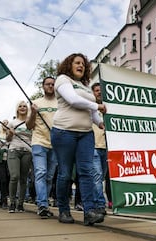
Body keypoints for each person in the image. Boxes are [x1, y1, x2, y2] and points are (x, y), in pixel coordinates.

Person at [51, 53, 106, 226]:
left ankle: (89, 211)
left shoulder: (85, 86)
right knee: (65, 173)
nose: (81, 65)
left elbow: (91, 113)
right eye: (77, 63)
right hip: (64, 132)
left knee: (86, 172)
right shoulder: (62, 80)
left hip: (86, 134)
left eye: (83, 64)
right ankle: (64, 210)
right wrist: (97, 105)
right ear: (69, 65)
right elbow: (73, 100)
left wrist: (100, 122)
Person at [26, 76, 58, 219]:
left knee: (50, 177)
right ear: (43, 86)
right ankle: (43, 205)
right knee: (41, 172)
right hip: (39, 142)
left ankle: (43, 202)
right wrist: (33, 112)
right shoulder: (36, 103)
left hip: (56, 144)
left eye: (53, 84)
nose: (50, 86)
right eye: (48, 84)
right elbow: (29, 126)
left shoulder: (61, 103)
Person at [6, 100, 32, 213]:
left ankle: (20, 204)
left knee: (23, 179)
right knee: (14, 176)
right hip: (14, 150)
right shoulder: (12, 123)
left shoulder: (31, 122)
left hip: (27, 151)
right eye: (20, 106)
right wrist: (10, 134)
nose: (22, 108)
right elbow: (7, 139)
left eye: (24, 106)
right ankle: (12, 202)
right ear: (17, 109)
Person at [91, 82, 111, 213]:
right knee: (97, 175)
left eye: (100, 90)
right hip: (92, 147)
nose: (99, 92)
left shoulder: (108, 109)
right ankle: (100, 204)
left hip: (107, 147)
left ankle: (97, 201)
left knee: (102, 177)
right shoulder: (90, 108)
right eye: (96, 90)